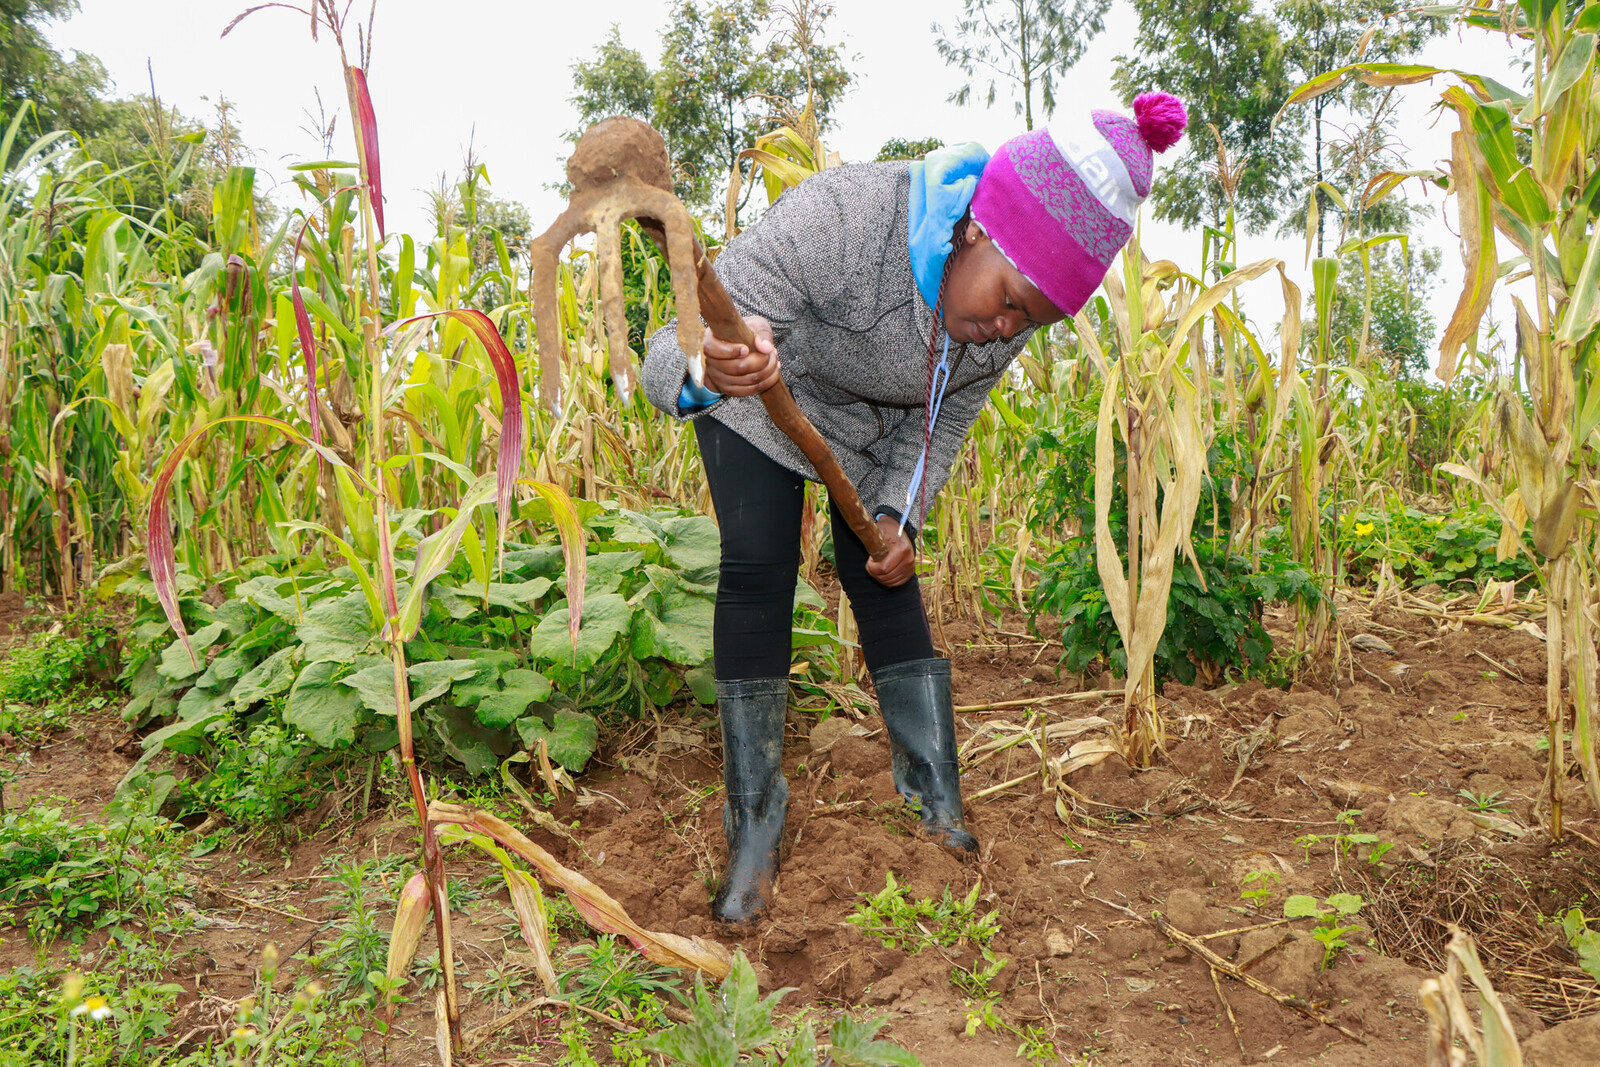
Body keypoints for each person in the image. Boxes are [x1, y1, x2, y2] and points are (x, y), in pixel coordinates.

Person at [641, 92, 1188, 924]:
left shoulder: (1003, 329)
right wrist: (706, 368)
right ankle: (754, 823)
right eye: (1006, 297)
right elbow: (663, 354)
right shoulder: (846, 216)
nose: (1003, 326)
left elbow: (942, 421)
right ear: (978, 227)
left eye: (1028, 319)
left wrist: (898, 515)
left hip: (863, 434)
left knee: (886, 577)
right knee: (758, 558)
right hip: (758, 399)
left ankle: (936, 799)